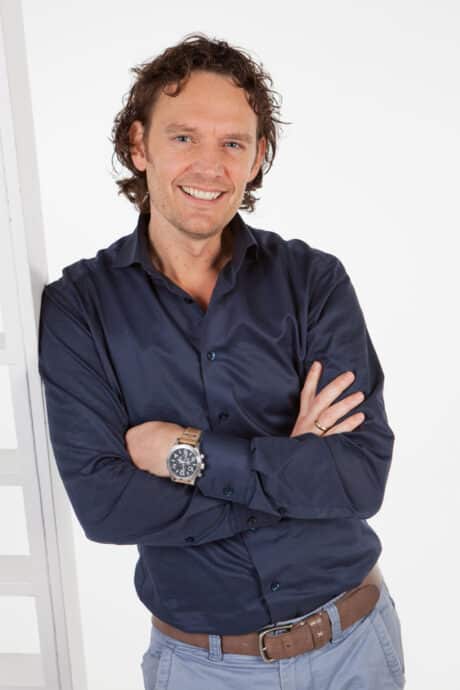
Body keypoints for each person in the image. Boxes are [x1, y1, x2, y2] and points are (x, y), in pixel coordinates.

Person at [38, 32, 406, 690]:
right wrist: (292, 468)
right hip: (201, 669)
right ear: (139, 144)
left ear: (258, 156)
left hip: (356, 649)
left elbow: (358, 479)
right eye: (184, 137)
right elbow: (107, 506)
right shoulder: (78, 308)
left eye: (233, 143)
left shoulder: (314, 282)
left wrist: (182, 452)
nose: (209, 167)